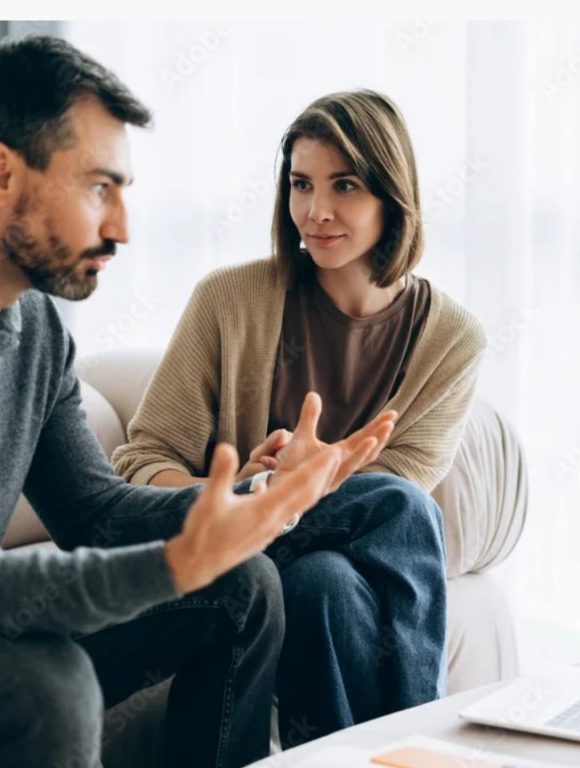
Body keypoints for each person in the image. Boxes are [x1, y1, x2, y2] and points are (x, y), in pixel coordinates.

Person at [0, 36, 395, 768]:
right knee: (47, 686)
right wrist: (174, 563)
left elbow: (96, 512)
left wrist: (258, 496)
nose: (121, 228)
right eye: (98, 189)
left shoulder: (38, 332)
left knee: (246, 583)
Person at [113, 89, 485, 745]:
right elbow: (141, 462)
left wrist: (309, 483)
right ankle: (419, 745)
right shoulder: (228, 300)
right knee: (398, 509)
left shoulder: (451, 340)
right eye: (300, 184)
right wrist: (252, 490)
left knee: (325, 578)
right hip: (231, 542)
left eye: (345, 185)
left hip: (336, 577)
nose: (316, 212)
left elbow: (394, 510)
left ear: (393, 196)